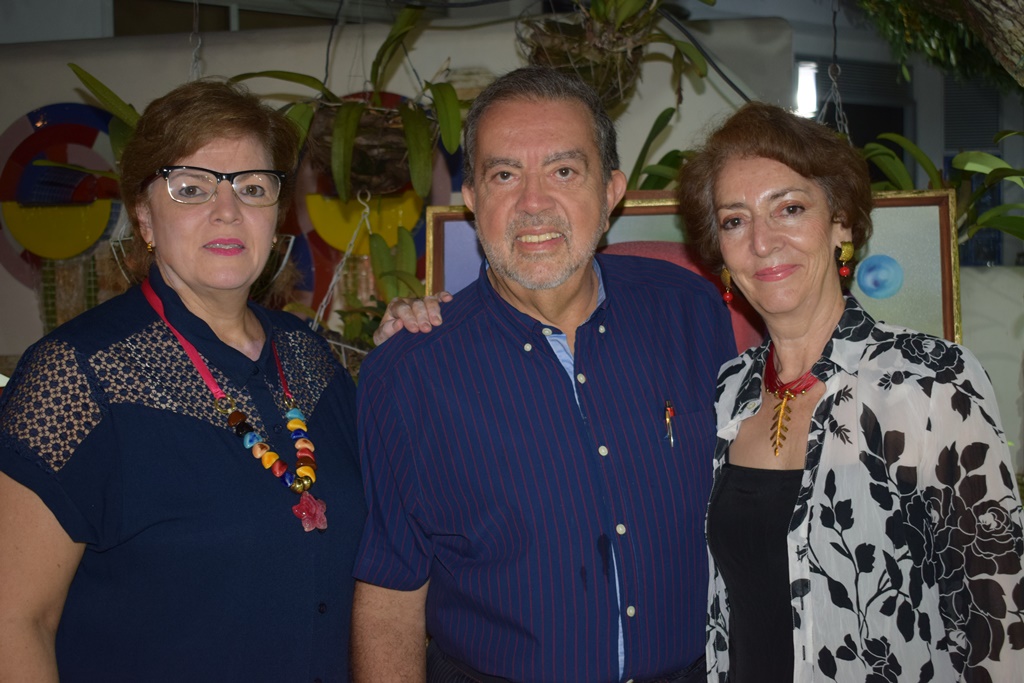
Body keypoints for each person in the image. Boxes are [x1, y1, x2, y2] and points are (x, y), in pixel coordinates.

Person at [351, 66, 735, 683]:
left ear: (611, 192)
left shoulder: (692, 313)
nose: (533, 204)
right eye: (505, 175)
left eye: (563, 171)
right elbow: (391, 596)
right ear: (472, 199)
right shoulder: (409, 375)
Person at [0, 80, 367, 682]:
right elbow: (16, 621)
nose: (228, 211)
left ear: (276, 216)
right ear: (144, 217)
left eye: (253, 188)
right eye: (191, 188)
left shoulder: (311, 359)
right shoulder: (76, 376)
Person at [677, 101, 1024, 682]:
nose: (763, 242)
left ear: (840, 223)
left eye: (789, 208)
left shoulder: (930, 380)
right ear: (720, 250)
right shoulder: (729, 391)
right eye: (735, 220)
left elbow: (998, 613)